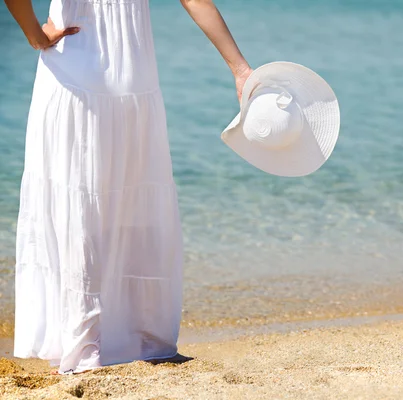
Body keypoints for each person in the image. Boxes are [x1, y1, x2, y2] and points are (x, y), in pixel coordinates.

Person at [4, 0, 252, 374]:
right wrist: (240, 68)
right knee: (133, 211)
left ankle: (85, 346)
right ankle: (146, 339)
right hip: (132, 80)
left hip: (74, 74)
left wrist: (35, 36)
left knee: (82, 210)